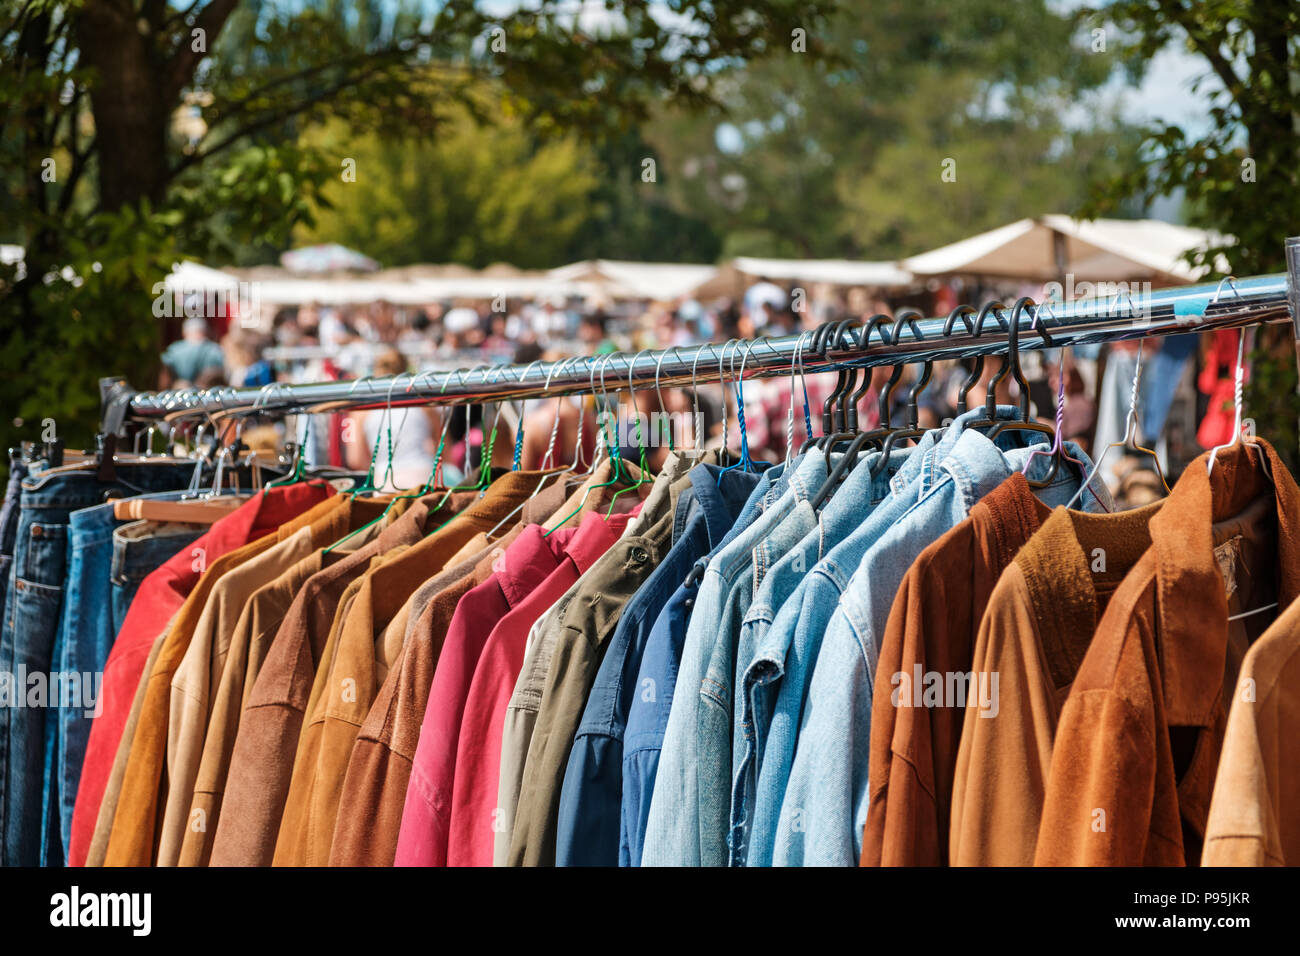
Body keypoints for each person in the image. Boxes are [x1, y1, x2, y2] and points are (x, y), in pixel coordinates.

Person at [161, 316, 226, 387]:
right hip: (207, 391)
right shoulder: (215, 349)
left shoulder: (174, 349)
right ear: (205, 331)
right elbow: (221, 372)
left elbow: (165, 373)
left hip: (181, 392)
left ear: (184, 333)